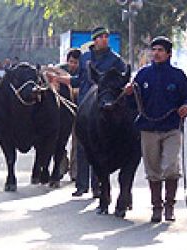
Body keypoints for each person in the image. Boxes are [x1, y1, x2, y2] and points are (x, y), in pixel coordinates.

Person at [125, 36, 187, 222]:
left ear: (168, 54)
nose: (156, 53)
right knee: (153, 169)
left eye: (160, 50)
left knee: (171, 167)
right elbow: (132, 103)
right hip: (148, 128)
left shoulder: (178, 75)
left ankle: (169, 207)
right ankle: (156, 208)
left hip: (171, 128)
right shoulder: (143, 75)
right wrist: (128, 93)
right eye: (154, 50)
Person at [49, 26, 127, 198]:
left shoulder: (115, 60)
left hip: (103, 111)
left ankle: (97, 186)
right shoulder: (85, 59)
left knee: (99, 149)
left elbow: (122, 81)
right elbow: (78, 81)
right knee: (82, 146)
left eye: (107, 36)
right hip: (84, 108)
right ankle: (81, 185)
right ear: (95, 40)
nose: (105, 39)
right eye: (101, 37)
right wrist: (58, 79)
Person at [56, 48, 81, 181]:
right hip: (63, 112)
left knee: (77, 142)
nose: (73, 65)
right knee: (58, 140)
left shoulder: (84, 73)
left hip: (79, 111)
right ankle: (62, 164)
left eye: (76, 63)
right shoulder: (59, 70)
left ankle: (75, 172)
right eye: (71, 62)